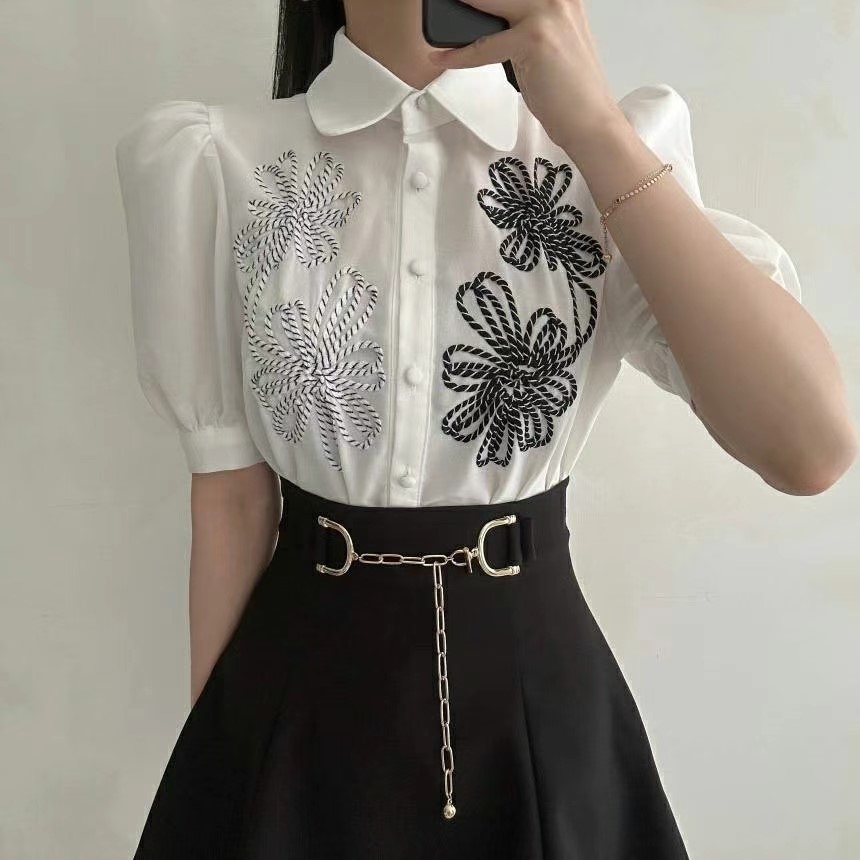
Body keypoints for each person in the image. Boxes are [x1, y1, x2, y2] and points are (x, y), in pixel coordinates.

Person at [114, 0, 857, 857]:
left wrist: (595, 128)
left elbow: (811, 448)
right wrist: (219, 782)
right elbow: (233, 501)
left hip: (542, 722)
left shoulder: (602, 155)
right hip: (295, 718)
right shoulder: (218, 161)